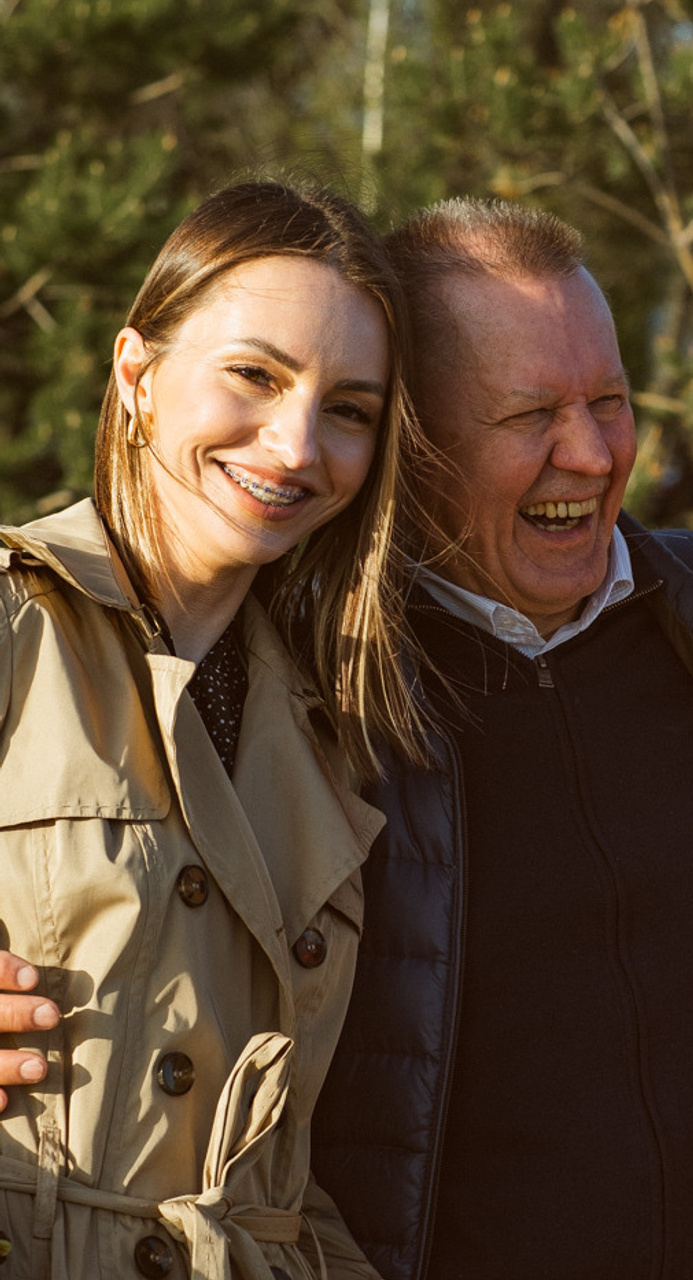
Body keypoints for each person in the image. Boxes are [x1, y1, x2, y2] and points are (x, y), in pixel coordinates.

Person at [304, 197, 693, 1280]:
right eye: (529, 416)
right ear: (410, 439)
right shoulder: (307, 682)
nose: (594, 453)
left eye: (609, 400)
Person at [0, 179, 435, 1279]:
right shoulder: (14, 621)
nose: (294, 447)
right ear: (136, 375)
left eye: (347, 409)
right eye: (254, 374)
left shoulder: (337, 729)